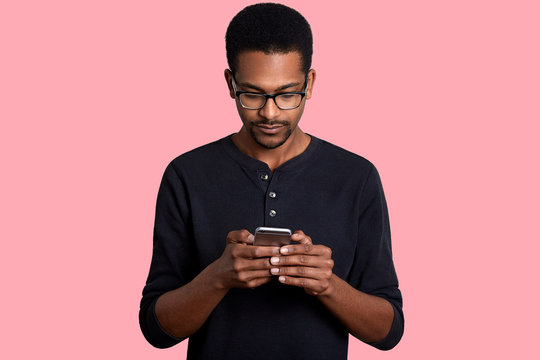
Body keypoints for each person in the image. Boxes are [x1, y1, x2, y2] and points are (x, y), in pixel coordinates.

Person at [139, 3, 404, 359]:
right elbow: (156, 330)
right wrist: (218, 277)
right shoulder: (186, 174)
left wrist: (327, 285)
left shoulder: (356, 177)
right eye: (253, 94)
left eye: (286, 94)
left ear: (309, 84)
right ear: (230, 84)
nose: (270, 112)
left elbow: (388, 331)